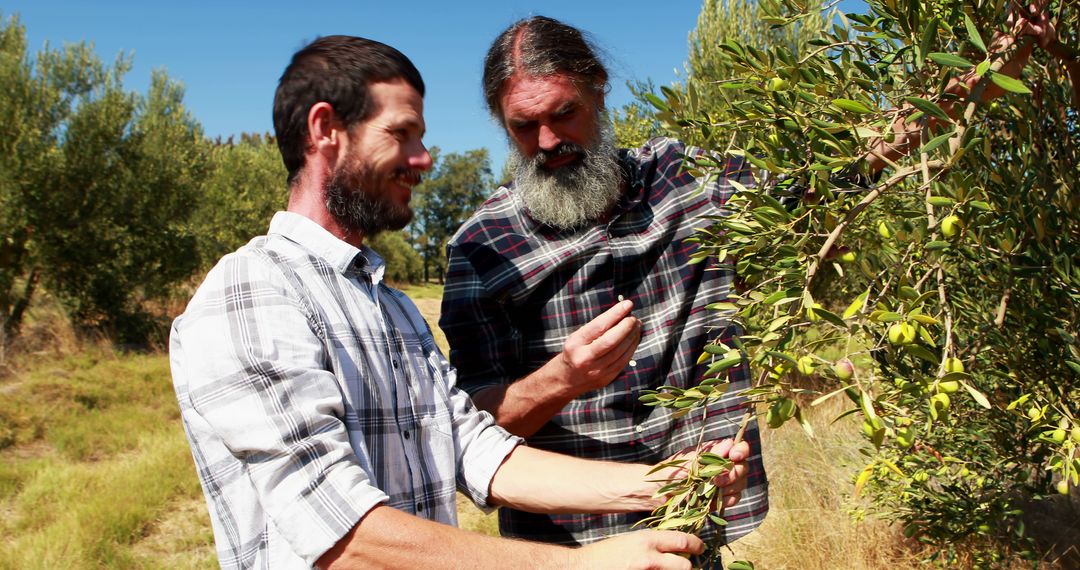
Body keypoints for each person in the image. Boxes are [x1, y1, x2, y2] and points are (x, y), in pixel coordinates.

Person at [440, 8, 1057, 550]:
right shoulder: (484, 247)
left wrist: (995, 61)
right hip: (567, 548)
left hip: (702, 523)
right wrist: (560, 381)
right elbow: (468, 431)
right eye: (524, 126)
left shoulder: (688, 177)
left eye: (563, 114)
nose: (548, 141)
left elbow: (849, 165)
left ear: (598, 90)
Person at [170, 35, 749, 570]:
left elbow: (477, 451)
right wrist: (581, 563)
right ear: (326, 130)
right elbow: (341, 536)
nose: (424, 159)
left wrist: (661, 483)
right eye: (402, 134)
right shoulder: (255, 291)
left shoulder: (388, 307)